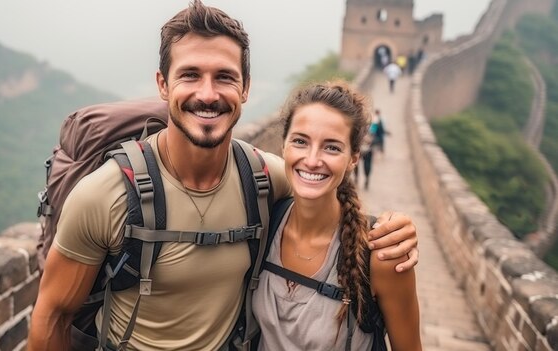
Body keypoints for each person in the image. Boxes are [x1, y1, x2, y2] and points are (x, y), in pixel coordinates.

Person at [28, 1, 420, 350]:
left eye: (225, 77)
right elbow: (52, 318)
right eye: (191, 75)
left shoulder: (265, 178)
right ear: (163, 84)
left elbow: (323, 184)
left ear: (246, 88)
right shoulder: (106, 194)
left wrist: (394, 229)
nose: (209, 93)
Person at [253, 81, 421, 350]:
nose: (312, 159)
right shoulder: (264, 222)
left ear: (354, 158)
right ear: (283, 146)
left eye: (331, 147)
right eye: (300, 141)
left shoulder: (382, 254)